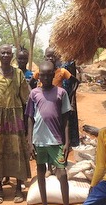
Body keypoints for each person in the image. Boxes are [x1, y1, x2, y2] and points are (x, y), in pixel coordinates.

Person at [26, 61, 77, 205]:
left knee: (62, 174)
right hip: (39, 140)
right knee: (41, 173)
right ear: (38, 75)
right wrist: (29, 140)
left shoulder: (61, 93)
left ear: (54, 75)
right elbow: (30, 118)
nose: (46, 77)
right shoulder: (34, 93)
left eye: (49, 74)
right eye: (43, 74)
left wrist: (67, 141)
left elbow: (66, 119)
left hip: (56, 140)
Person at [0, 44, 31, 204]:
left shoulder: (18, 74)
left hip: (15, 117)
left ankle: (18, 187)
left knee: (17, 149)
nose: (5, 55)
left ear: (12, 56)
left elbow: (26, 100)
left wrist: (26, 121)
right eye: (3, 52)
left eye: (8, 53)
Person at [30, 47, 80, 176]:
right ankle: (48, 168)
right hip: (44, 102)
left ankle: (56, 163)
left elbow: (75, 81)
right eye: (48, 56)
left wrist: (69, 96)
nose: (50, 58)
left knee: (57, 135)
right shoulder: (40, 71)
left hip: (57, 103)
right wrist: (33, 93)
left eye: (53, 56)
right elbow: (31, 82)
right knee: (45, 136)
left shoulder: (62, 71)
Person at [2, 46, 33, 186]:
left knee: (19, 146)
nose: (22, 61)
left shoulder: (28, 74)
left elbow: (30, 95)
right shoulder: (11, 73)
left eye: (24, 58)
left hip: (23, 113)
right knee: (6, 145)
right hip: (8, 115)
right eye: (20, 58)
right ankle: (6, 176)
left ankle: (19, 177)